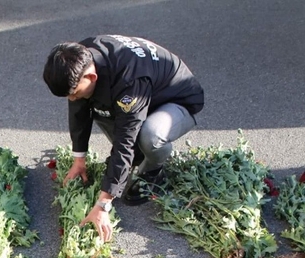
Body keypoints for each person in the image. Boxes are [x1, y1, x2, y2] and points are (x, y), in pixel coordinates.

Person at [43, 37, 205, 242]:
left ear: (91, 76)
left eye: (74, 93)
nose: (72, 99)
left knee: (149, 135)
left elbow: (124, 141)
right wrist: (79, 159)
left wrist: (103, 204)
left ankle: (154, 173)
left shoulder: (129, 81)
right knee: (99, 107)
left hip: (176, 99)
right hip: (144, 93)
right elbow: (78, 112)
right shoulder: (78, 58)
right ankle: (137, 157)